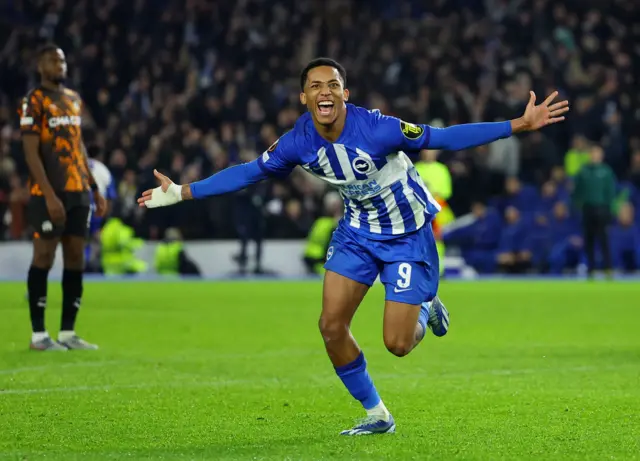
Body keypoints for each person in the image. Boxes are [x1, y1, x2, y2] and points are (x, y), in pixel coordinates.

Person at [138, 58, 569, 435]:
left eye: (332, 85)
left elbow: (444, 137)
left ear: (345, 93)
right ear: (303, 97)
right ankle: (377, 414)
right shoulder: (298, 141)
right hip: (357, 234)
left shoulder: (378, 129)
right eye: (315, 86)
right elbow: (249, 172)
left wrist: (517, 124)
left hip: (405, 236)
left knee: (397, 344)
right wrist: (181, 192)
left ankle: (427, 308)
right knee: (330, 326)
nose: (324, 92)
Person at [19, 44, 106, 351]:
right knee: (43, 256)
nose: (59, 64)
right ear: (40, 66)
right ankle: (39, 335)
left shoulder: (73, 100)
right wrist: (49, 195)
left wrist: (94, 187)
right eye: (52, 60)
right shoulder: (34, 101)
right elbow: (31, 153)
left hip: (78, 191)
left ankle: (68, 333)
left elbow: (78, 146)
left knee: (74, 259)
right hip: (48, 194)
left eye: (62, 59)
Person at [572, 145, 616, 277]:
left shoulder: (606, 171)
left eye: (597, 154)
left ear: (601, 156)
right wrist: (577, 204)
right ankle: (590, 269)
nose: (595, 156)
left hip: (602, 208)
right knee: (589, 239)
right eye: (593, 153)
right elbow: (577, 191)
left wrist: (609, 209)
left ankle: (608, 268)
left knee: (604, 239)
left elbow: (610, 192)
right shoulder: (583, 171)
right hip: (587, 208)